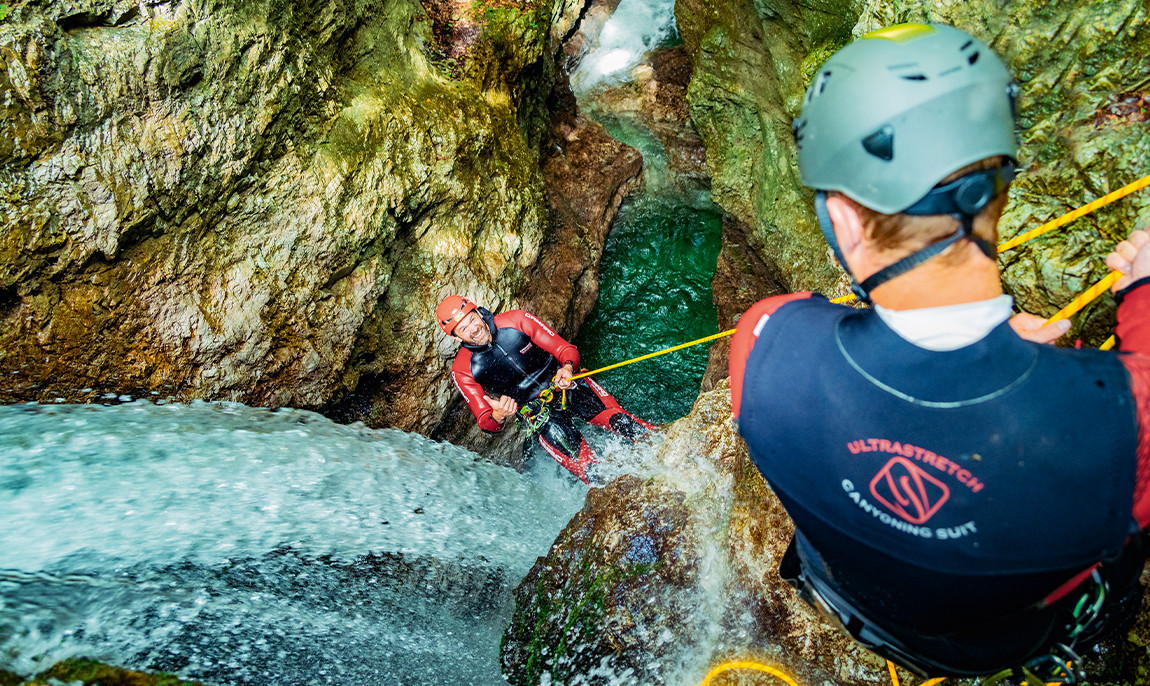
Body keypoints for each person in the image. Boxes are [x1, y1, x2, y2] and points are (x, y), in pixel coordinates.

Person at [728, 22, 1150, 680]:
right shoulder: (1124, 424)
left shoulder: (761, 343)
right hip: (1006, 636)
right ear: (1001, 193)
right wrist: (1142, 293)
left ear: (841, 222)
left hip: (851, 601)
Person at [437, 295, 655, 483]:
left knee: (628, 426)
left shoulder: (516, 320)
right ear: (456, 337)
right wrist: (499, 414)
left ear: (479, 313)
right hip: (538, 415)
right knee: (595, 474)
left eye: (472, 319)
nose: (474, 329)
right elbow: (487, 422)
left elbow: (565, 349)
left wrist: (568, 368)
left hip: (566, 385)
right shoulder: (463, 369)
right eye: (463, 328)